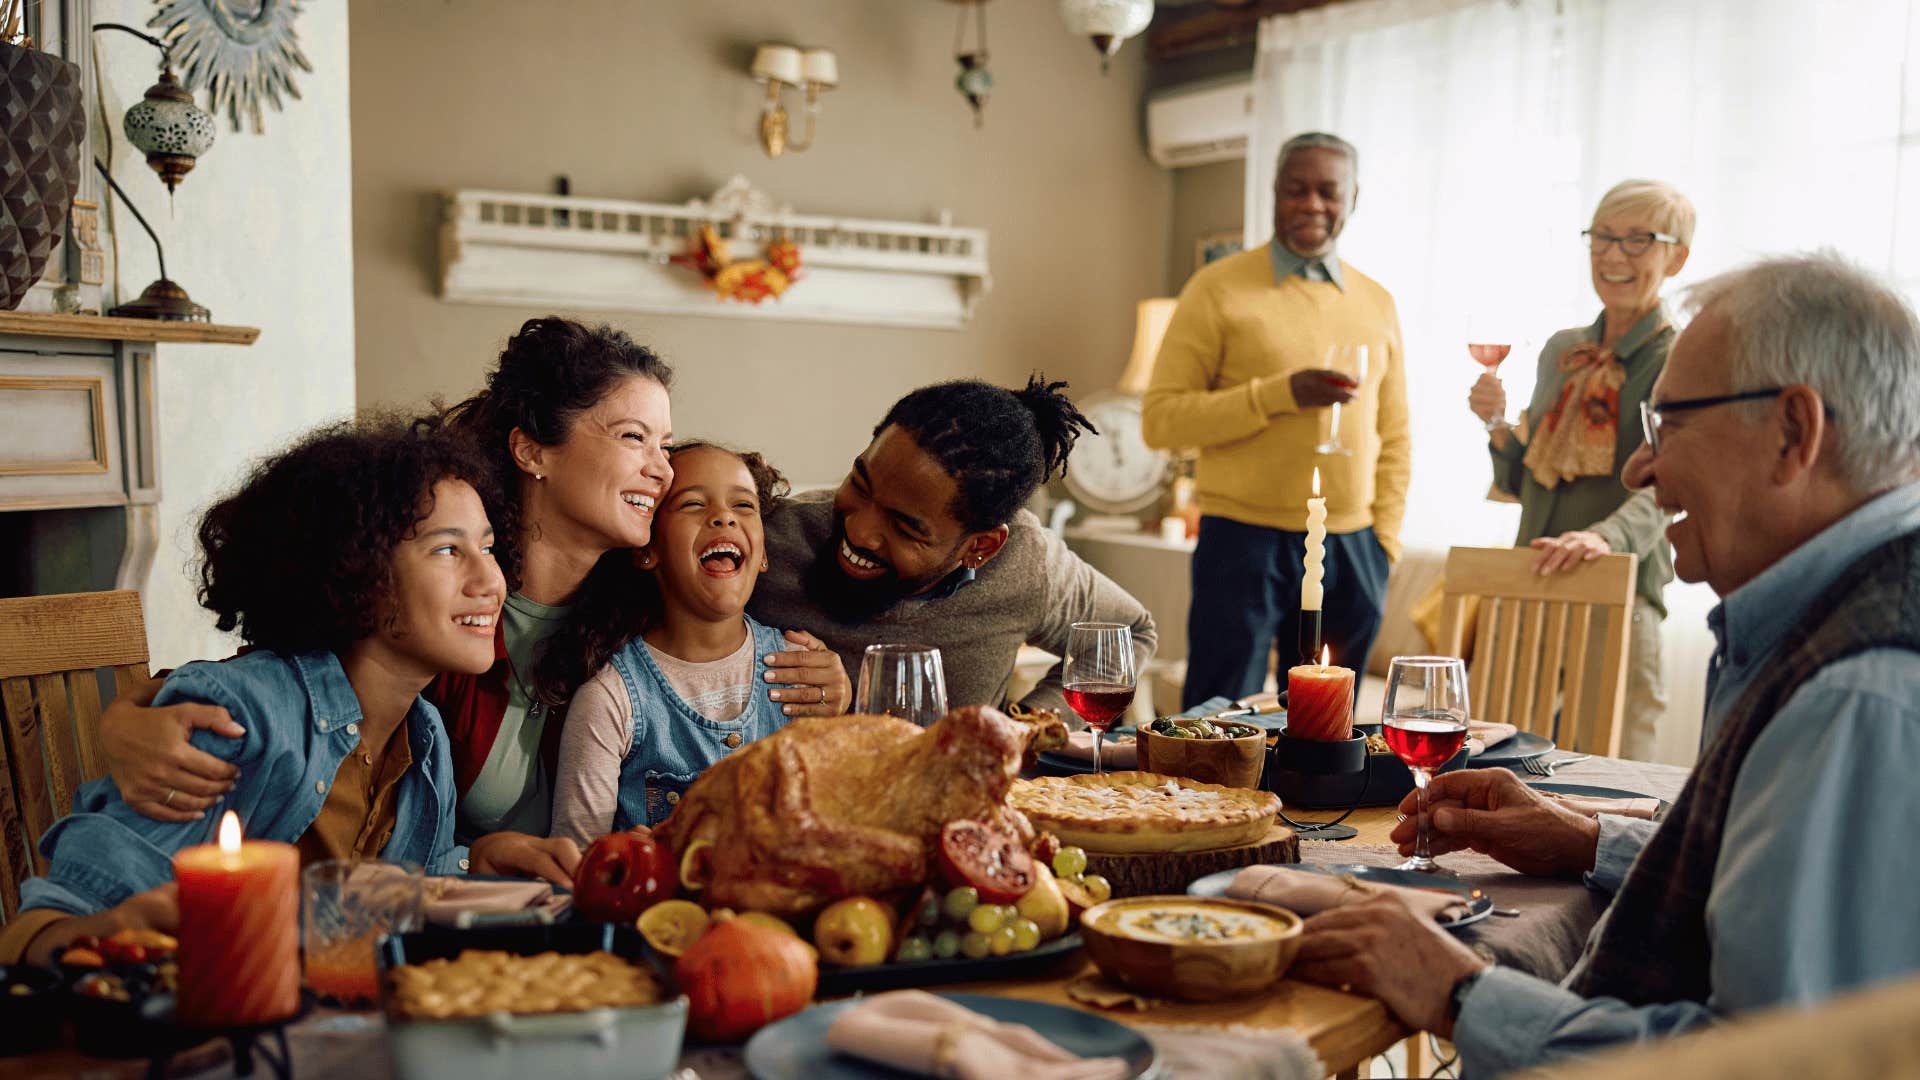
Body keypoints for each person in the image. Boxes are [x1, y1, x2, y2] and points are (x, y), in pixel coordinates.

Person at [1292, 252, 1920, 1075]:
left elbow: (1763, 1064)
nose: (1638, 467)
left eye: (1669, 426)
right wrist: (1589, 840)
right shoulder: (1835, 624)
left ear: (1793, 433)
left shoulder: (1857, 698)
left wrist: (1459, 992)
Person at [91, 319, 850, 877]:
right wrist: (121, 722)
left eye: (664, 444)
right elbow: (280, 693)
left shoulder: (646, 601)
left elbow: (743, 628)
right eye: (633, 439)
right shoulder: (432, 609)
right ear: (532, 450)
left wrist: (836, 682)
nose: (662, 470)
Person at [0, 418, 533, 965]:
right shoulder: (234, 718)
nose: (490, 581)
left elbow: (413, 891)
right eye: (447, 550)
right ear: (356, 569)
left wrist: (477, 863)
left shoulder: (424, 738)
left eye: (488, 548)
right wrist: (113, 929)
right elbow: (50, 923)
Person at [1142, 131, 1409, 706]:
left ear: (1353, 198)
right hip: (1242, 539)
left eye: (1327, 191)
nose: (1312, 204)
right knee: (1217, 724)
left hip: (1352, 546)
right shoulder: (1215, 289)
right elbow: (1162, 421)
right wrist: (1278, 394)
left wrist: (1382, 542)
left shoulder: (1377, 301)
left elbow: (1396, 434)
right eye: (1296, 189)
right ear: (1274, 194)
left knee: (1326, 734)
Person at [748, 375, 1157, 714]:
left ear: (981, 546)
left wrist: (1025, 731)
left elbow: (1132, 633)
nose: (859, 531)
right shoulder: (769, 538)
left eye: (905, 527)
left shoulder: (1027, 562)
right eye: (860, 483)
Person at [1472, 179, 1695, 760]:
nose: (1614, 255)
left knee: (1615, 778)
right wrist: (1498, 426)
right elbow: (1529, 482)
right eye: (1602, 237)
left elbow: (1670, 485)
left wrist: (1601, 538)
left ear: (1678, 256)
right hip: (1533, 581)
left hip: (1621, 589)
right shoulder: (1560, 350)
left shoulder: (1681, 358)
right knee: (1502, 765)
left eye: (1638, 240)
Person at [551, 443, 802, 841]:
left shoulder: (804, 672)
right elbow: (577, 867)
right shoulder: (608, 701)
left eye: (743, 506)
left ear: (764, 553)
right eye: (692, 505)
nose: (723, 517)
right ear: (647, 549)